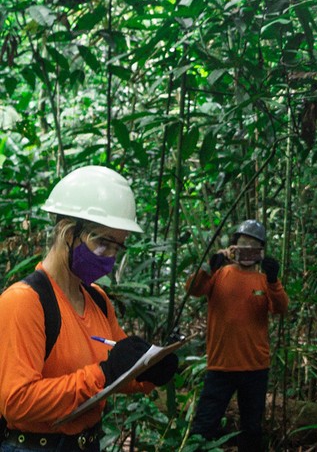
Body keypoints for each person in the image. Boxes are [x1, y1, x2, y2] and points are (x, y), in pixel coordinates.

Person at [0, 165, 179, 452]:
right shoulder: (24, 301)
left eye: (117, 246)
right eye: (102, 242)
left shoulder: (96, 298)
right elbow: (17, 403)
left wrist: (148, 371)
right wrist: (103, 373)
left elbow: (119, 371)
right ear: (68, 233)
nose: (109, 256)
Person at [187, 219, 288, 452]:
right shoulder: (220, 274)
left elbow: (280, 308)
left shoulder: (263, 280)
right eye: (243, 244)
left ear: (261, 251)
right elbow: (193, 290)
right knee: (203, 426)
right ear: (233, 247)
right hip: (221, 367)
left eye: (253, 246)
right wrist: (209, 267)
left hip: (255, 368)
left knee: (252, 430)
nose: (247, 251)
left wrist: (273, 281)